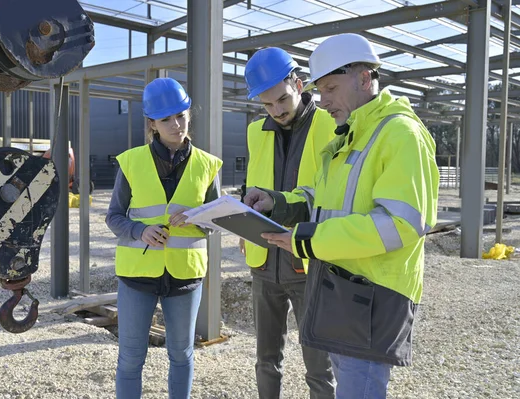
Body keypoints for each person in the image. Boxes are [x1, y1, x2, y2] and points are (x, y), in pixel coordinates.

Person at [244, 33, 439, 398]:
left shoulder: (400, 134)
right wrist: (277, 203)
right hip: (343, 290)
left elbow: (401, 224)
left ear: (364, 78)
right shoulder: (351, 136)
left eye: (331, 88)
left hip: (371, 298)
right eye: (321, 90)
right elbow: (322, 199)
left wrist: (307, 240)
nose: (324, 101)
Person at [106, 77, 222, 399]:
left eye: (181, 115)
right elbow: (113, 216)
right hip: (136, 277)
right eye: (166, 119)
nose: (176, 124)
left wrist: (199, 219)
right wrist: (140, 231)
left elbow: (217, 220)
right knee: (131, 358)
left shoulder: (206, 165)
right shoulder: (131, 162)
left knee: (182, 355)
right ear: (152, 124)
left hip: (186, 276)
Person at [241, 47, 336, 399]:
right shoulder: (255, 132)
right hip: (264, 259)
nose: (277, 110)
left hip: (309, 260)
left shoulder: (329, 122)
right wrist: (243, 223)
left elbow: (330, 195)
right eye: (267, 105)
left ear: (298, 83)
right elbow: (254, 183)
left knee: (318, 365)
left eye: (282, 99)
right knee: (266, 359)